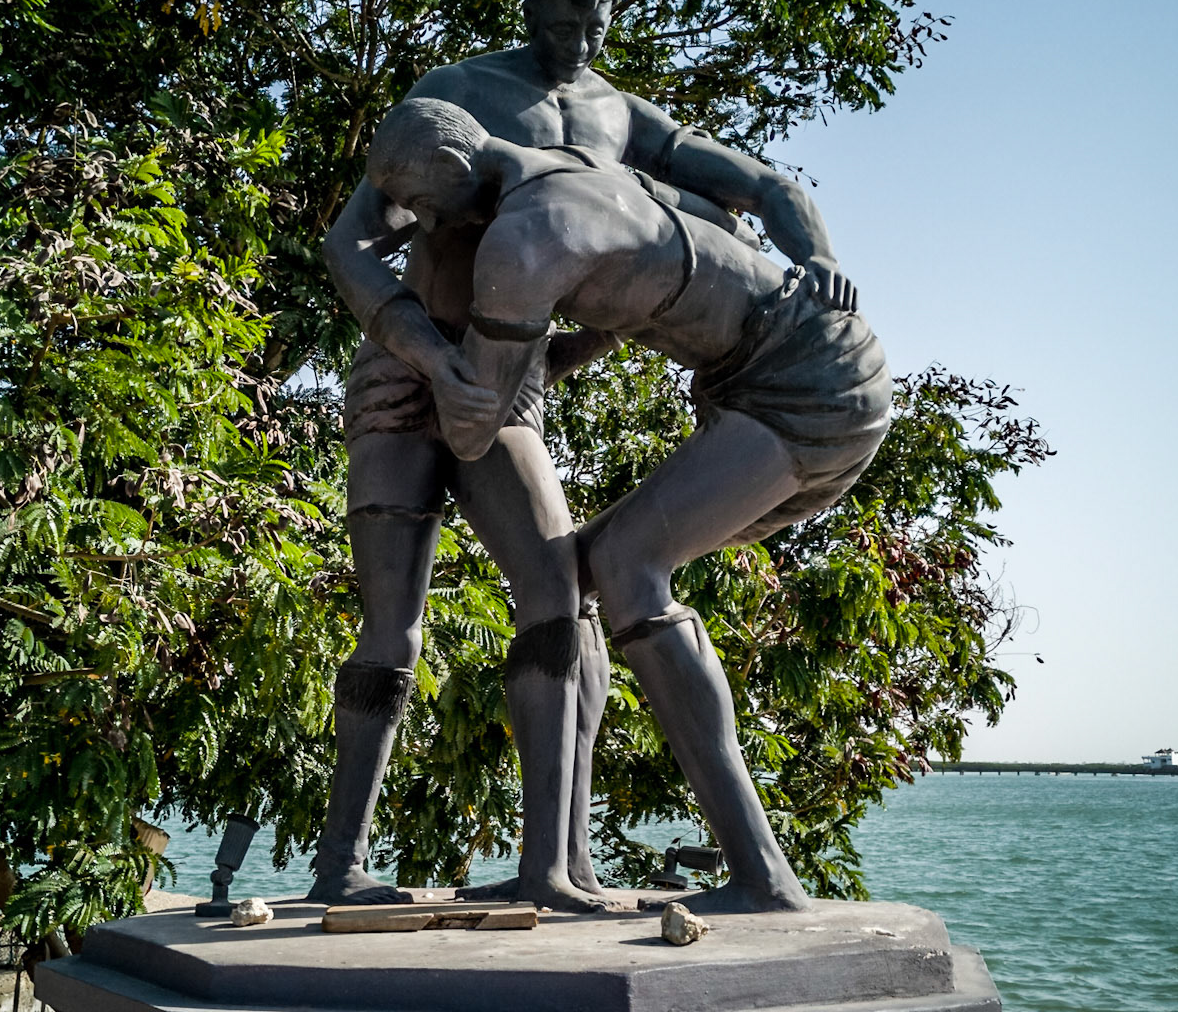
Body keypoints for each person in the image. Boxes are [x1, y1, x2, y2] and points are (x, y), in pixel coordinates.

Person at [316, 0, 838, 906]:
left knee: (560, 594)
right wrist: (425, 356)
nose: (579, 31)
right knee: (390, 631)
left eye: (596, 15)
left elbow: (720, 204)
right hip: (403, 378)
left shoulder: (618, 117)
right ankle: (338, 866)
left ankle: (551, 865)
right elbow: (349, 242)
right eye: (564, 11)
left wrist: (815, 261)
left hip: (504, 387)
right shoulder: (457, 91)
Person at [362, 97, 891, 915]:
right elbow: (716, 232)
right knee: (575, 578)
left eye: (426, 208)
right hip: (767, 375)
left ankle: (763, 876)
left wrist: (421, 356)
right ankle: (560, 867)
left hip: (805, 382)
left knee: (625, 563)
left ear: (458, 174)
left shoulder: (521, 241)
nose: (427, 228)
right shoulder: (589, 173)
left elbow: (473, 431)